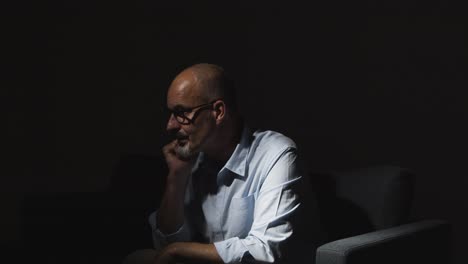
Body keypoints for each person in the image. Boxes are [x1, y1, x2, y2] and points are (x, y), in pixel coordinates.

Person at [124, 63, 319, 264]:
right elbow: (165, 248)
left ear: (218, 111)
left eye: (182, 113)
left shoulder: (277, 154)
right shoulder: (194, 161)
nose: (170, 125)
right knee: (135, 259)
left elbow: (267, 251)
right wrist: (176, 177)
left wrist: (177, 251)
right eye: (171, 113)